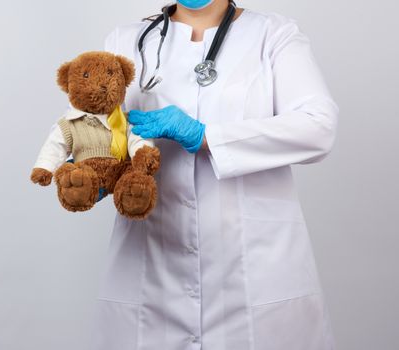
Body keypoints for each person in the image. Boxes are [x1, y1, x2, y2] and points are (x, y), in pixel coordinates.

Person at [89, 0, 339, 349]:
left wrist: (206, 136)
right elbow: (97, 131)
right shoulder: (127, 41)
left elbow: (318, 127)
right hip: (153, 275)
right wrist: (95, 170)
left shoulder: (273, 35)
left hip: (255, 273)